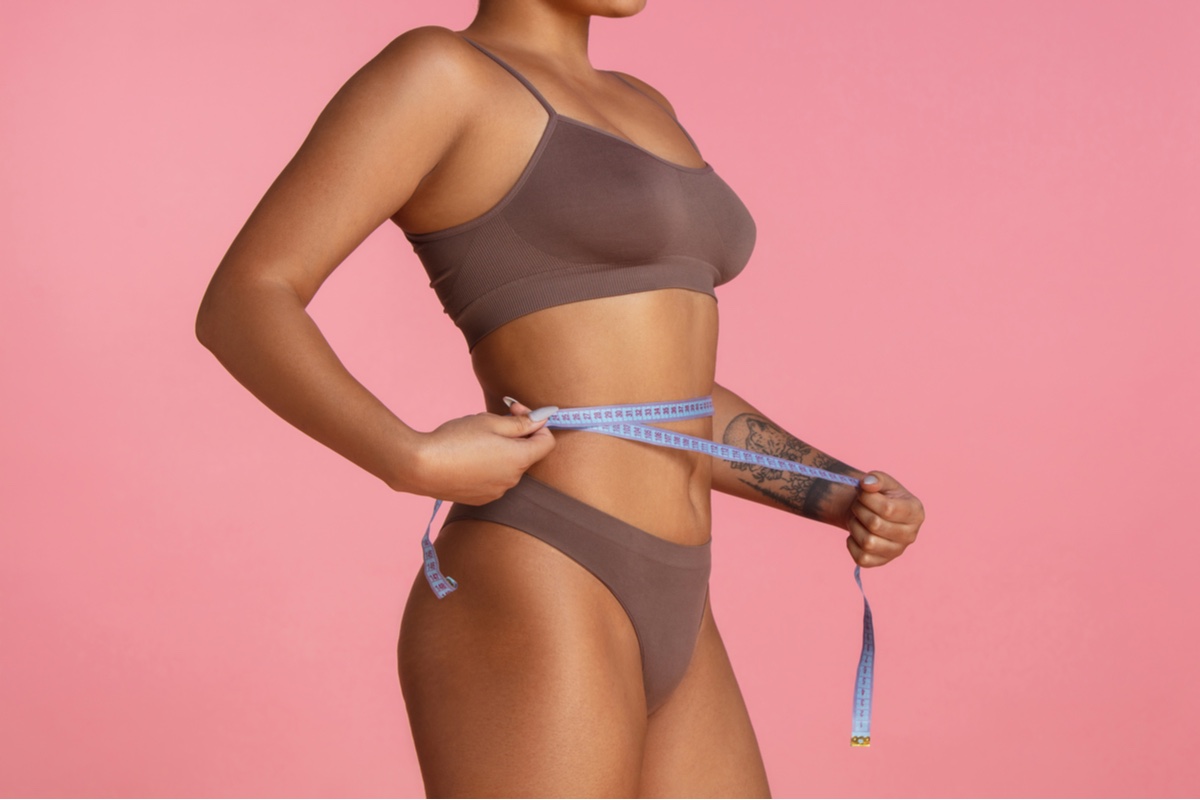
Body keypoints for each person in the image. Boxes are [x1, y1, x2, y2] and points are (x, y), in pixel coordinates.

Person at [195, 0, 925, 795]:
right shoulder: (441, 73)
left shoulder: (647, 104)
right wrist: (409, 457)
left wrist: (835, 491)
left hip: (682, 593)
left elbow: (656, 399)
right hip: (542, 569)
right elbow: (246, 296)